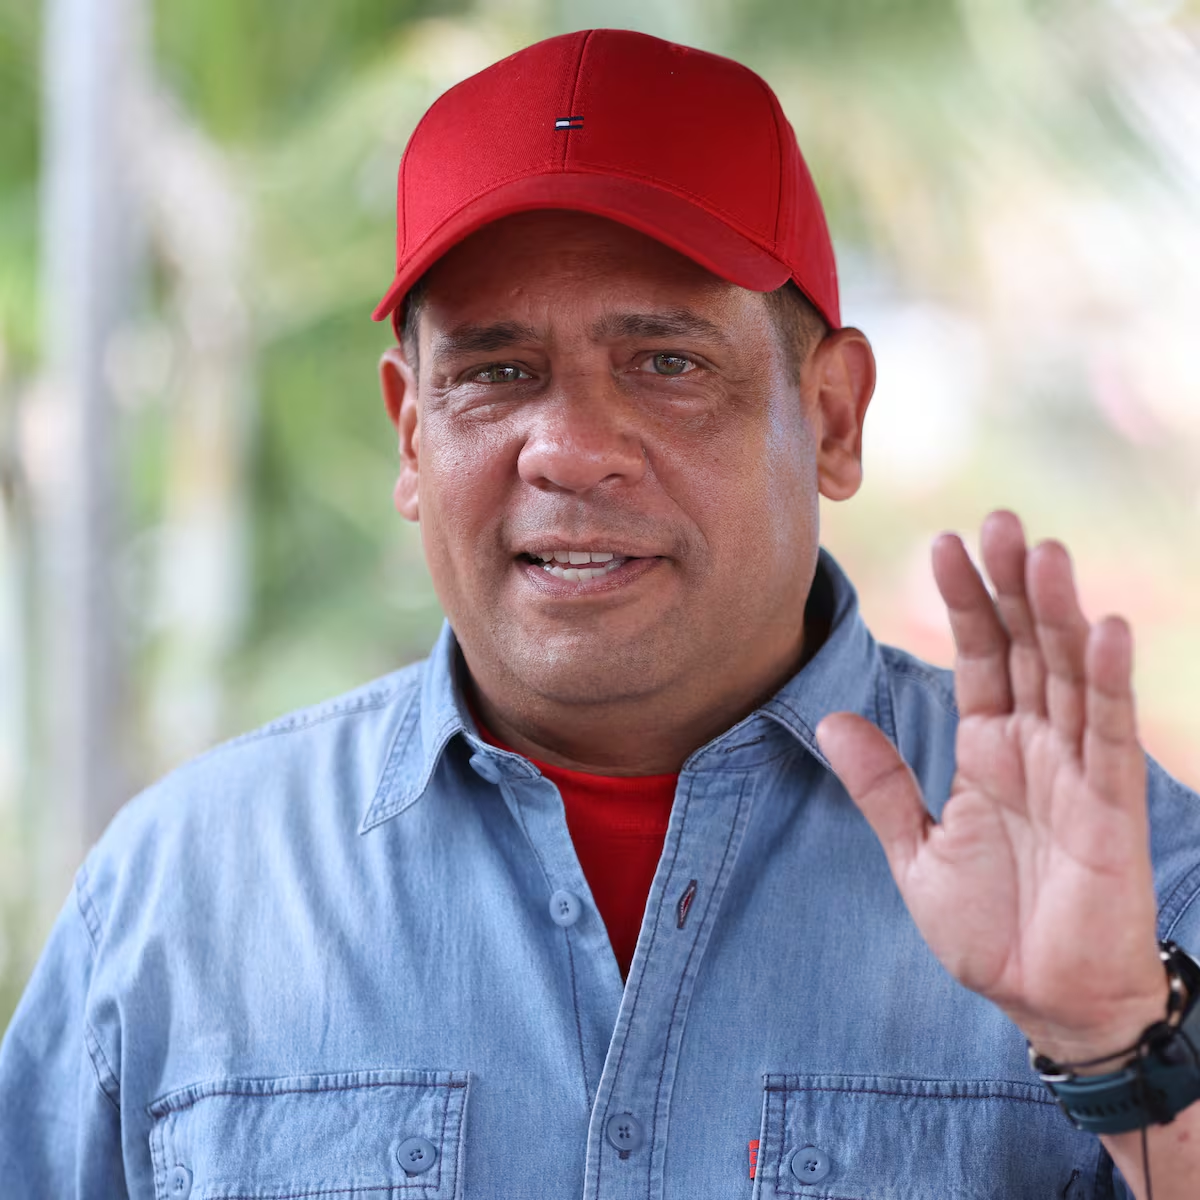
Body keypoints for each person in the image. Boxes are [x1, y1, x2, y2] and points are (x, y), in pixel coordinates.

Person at [1, 27, 1198, 1200]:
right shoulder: (183, 894)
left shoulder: (1124, 876)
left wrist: (1117, 1047)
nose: (569, 451)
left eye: (667, 363)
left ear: (833, 417)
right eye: (496, 372)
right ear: (412, 434)